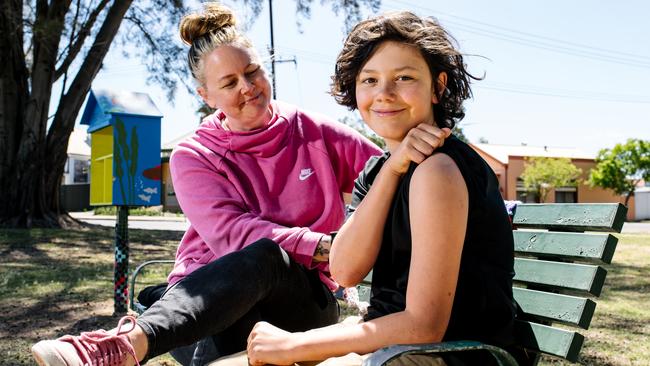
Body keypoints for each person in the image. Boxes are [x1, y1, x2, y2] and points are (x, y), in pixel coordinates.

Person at [30, 3, 386, 366]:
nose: (248, 88)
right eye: (230, 83)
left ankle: (127, 344)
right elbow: (233, 235)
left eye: (252, 72)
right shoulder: (194, 154)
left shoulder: (311, 130)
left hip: (301, 300)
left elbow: (387, 175)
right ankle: (121, 346)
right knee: (236, 302)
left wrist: (428, 151)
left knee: (266, 256)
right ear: (206, 97)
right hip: (201, 301)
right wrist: (331, 245)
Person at [243, 10, 517, 366]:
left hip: (458, 353)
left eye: (403, 77)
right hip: (392, 342)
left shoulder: (439, 170)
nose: (384, 94)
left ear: (438, 86)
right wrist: (391, 171)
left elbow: (424, 327)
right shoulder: (380, 171)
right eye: (369, 80)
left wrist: (294, 344)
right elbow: (345, 270)